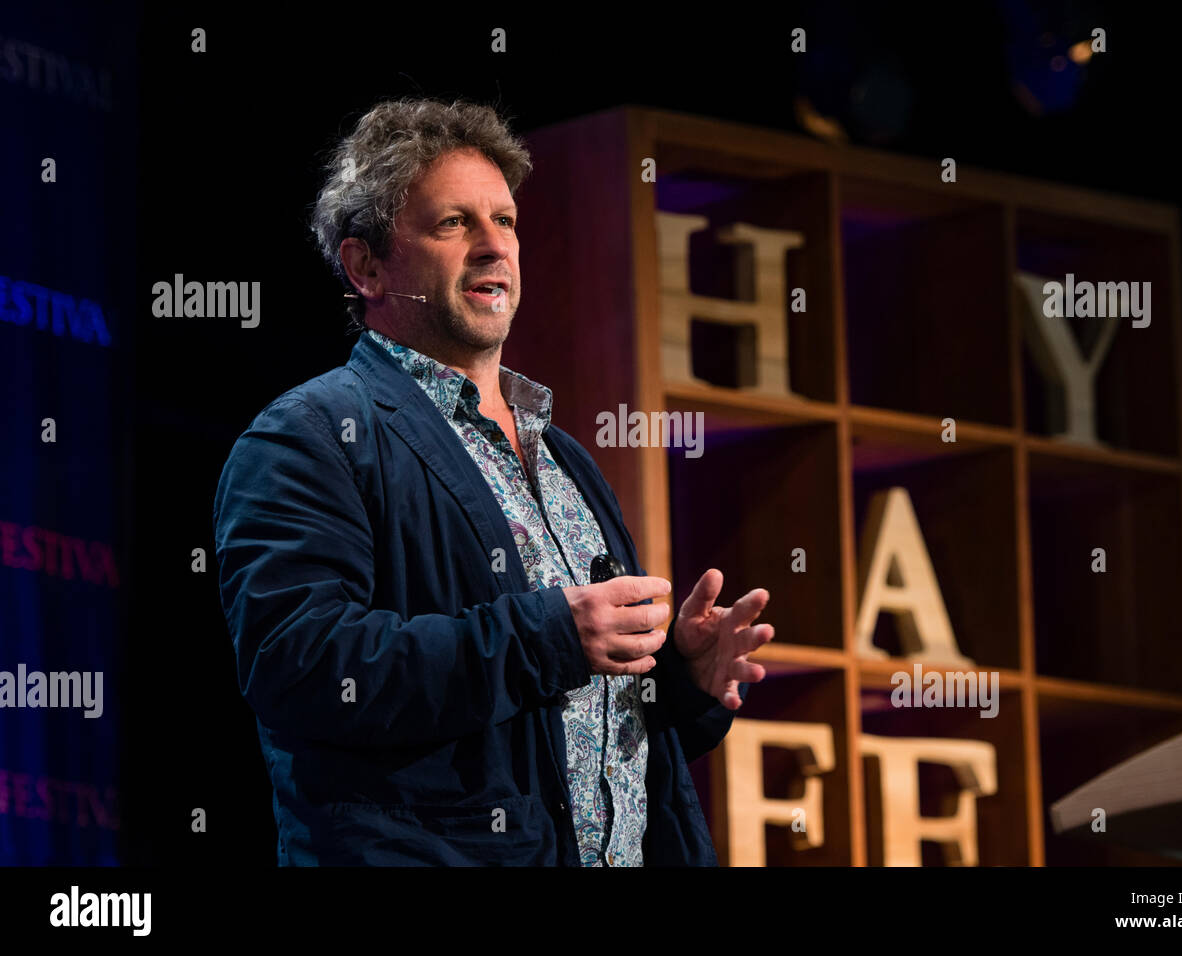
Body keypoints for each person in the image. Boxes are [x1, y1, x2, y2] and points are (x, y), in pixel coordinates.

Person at [211, 97, 775, 866]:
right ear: (366, 265)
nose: (493, 248)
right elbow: (304, 667)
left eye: (504, 221)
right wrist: (550, 637)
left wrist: (682, 683)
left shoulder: (564, 456)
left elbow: (578, 724)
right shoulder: (309, 437)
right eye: (453, 224)